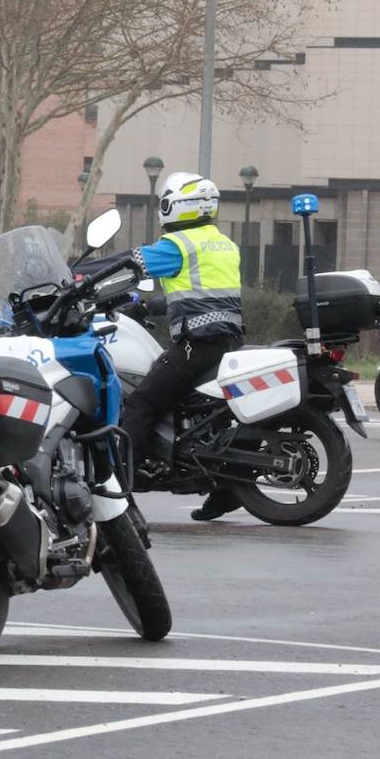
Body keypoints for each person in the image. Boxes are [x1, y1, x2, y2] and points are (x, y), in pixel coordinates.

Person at [122, 171, 245, 522]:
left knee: (142, 402)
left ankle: (124, 489)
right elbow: (198, 294)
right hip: (230, 341)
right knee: (204, 415)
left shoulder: (177, 246)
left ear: (176, 207)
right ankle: (226, 489)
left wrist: (79, 278)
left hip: (198, 345)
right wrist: (148, 306)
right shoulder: (222, 243)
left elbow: (130, 264)